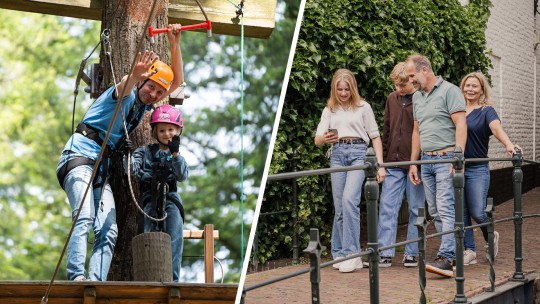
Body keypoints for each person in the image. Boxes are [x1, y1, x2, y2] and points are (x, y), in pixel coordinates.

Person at [56, 24, 184, 281]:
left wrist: (174, 42)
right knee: (84, 217)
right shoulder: (123, 95)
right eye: (151, 88)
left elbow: (178, 83)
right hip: (79, 158)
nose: (154, 95)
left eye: (159, 92)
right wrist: (135, 75)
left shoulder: (142, 106)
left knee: (109, 229)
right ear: (143, 81)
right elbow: (125, 86)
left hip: (100, 169)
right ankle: (76, 278)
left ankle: (95, 281)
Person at [314, 68, 385, 273]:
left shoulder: (363, 107)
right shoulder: (330, 109)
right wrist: (324, 139)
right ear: (334, 90)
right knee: (339, 205)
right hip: (337, 153)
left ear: (352, 88)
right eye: (339, 89)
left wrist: (379, 165)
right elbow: (317, 139)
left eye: (346, 89)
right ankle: (339, 253)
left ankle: (352, 253)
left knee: (349, 200)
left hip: (358, 153)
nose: (343, 93)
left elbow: (375, 136)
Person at [406, 54, 467, 278]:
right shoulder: (417, 97)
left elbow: (461, 123)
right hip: (426, 160)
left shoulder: (450, 91)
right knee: (434, 211)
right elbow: (416, 131)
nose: (410, 80)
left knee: (445, 207)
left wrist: (457, 156)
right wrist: (414, 163)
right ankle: (451, 258)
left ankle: (446, 256)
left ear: (425, 70)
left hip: (446, 159)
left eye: (412, 75)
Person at [460, 72, 518, 265]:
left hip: (477, 168)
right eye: (467, 85)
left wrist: (508, 144)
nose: (470, 89)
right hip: (458, 168)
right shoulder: (457, 109)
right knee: (462, 211)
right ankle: (470, 250)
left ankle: (490, 235)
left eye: (475, 86)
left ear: (482, 89)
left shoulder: (487, 111)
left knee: (477, 211)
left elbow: (496, 129)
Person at [131, 105, 188, 281]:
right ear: (155, 132)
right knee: (147, 236)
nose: (166, 134)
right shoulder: (144, 152)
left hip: (170, 199)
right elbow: (133, 170)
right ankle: (148, 277)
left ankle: (173, 279)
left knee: (174, 236)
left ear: (178, 131)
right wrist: (128, 155)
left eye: (171, 129)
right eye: (161, 130)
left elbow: (182, 175)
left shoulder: (178, 156)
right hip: (149, 200)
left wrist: (175, 154)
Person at [377, 62, 425, 268]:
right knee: (388, 207)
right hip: (393, 163)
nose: (399, 89)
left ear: (412, 81)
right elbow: (387, 129)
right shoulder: (391, 99)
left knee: (416, 208)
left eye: (403, 85)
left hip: (415, 163)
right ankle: (385, 252)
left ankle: (412, 252)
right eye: (396, 85)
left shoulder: (422, 99)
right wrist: (384, 163)